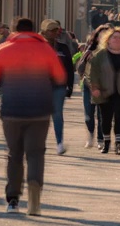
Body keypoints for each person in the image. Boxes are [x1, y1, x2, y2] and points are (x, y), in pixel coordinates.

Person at [0, 18, 66, 215]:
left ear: (14, 30)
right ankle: (34, 186)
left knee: (14, 154)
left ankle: (13, 199)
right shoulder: (46, 49)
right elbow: (60, 77)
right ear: (34, 30)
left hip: (12, 110)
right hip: (39, 110)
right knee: (36, 153)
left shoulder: (2, 49)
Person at [40, 19, 74, 155]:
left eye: (56, 30)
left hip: (59, 86)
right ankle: (39, 142)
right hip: (41, 87)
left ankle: (59, 142)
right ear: (44, 32)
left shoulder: (63, 48)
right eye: (51, 30)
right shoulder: (38, 47)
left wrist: (70, 86)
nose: (54, 33)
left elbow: (70, 69)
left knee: (57, 114)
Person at [76, 25, 110, 149]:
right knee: (88, 114)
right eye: (101, 35)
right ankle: (90, 134)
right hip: (88, 85)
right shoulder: (90, 50)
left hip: (103, 87)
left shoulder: (112, 51)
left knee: (101, 114)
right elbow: (79, 68)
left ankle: (100, 139)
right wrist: (85, 59)